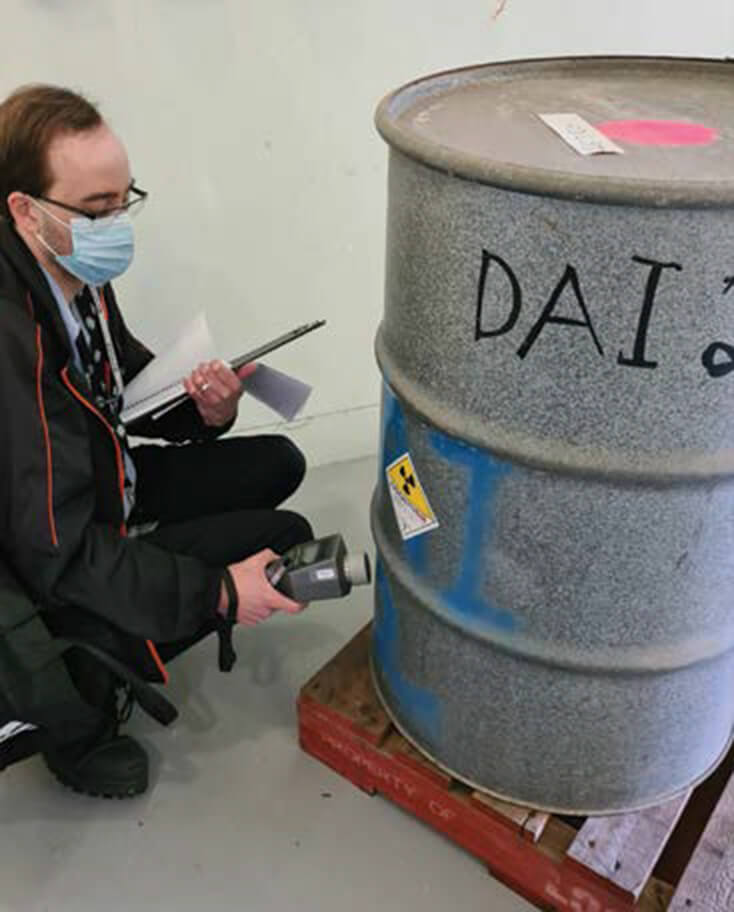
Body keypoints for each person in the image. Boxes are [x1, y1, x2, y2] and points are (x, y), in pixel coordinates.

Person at [0, 84, 314, 798]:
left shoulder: (69, 265)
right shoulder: (11, 344)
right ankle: (78, 709)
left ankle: (139, 579)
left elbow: (122, 391)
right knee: (282, 541)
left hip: (95, 489)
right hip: (40, 565)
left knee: (279, 464)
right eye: (96, 209)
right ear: (24, 208)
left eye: (124, 200)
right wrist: (216, 593)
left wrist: (207, 409)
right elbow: (57, 554)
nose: (117, 224)